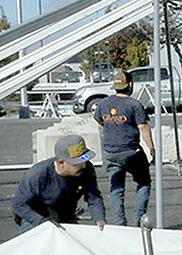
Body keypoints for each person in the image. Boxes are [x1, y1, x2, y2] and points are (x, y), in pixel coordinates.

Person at [94, 69, 154, 226]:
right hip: (131, 151)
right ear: (130, 85)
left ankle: (120, 224)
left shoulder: (103, 103)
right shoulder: (134, 105)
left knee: (116, 188)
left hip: (110, 152)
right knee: (143, 182)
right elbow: (143, 127)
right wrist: (151, 148)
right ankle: (139, 220)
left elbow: (100, 125)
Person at [12, 134, 106, 233]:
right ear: (61, 163)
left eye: (85, 160)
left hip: (65, 214)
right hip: (36, 216)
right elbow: (18, 204)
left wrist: (99, 219)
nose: (83, 166)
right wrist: (41, 221)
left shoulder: (86, 170)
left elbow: (93, 197)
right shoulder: (37, 175)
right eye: (76, 164)